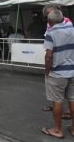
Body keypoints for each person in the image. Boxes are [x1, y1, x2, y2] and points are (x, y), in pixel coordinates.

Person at [41, 9, 74, 139]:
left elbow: (48, 56)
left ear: (49, 21)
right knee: (72, 99)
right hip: (73, 71)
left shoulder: (51, 33)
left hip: (58, 73)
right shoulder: (72, 30)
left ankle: (57, 129)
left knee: (57, 101)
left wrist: (47, 71)